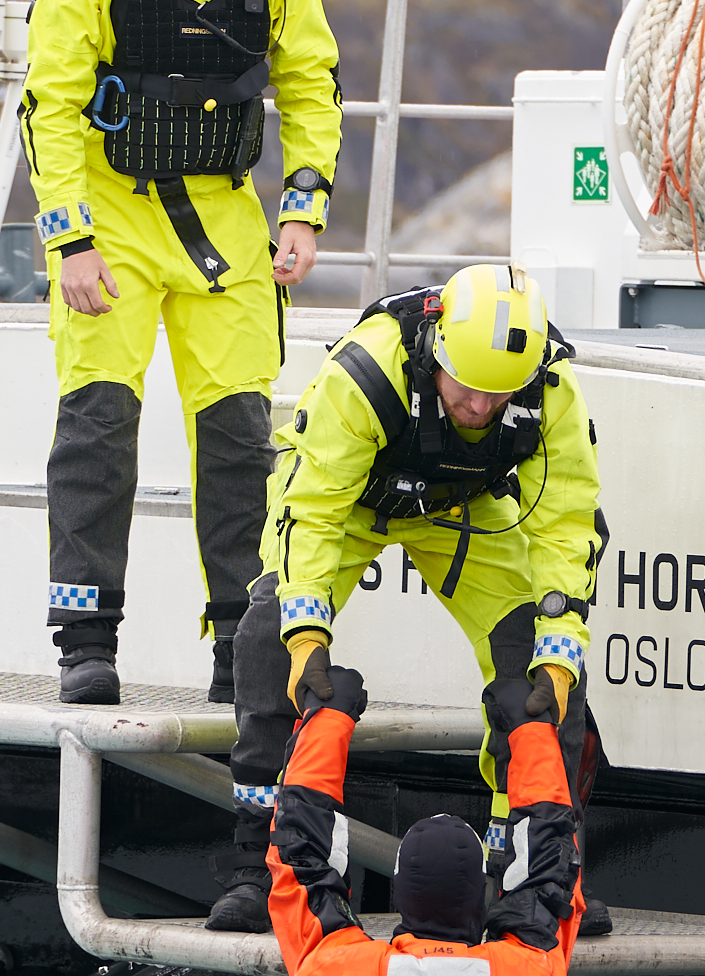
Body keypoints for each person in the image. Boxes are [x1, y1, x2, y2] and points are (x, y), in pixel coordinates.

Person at [22, 0, 341, 706]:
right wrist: (68, 240)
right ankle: (86, 641)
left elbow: (311, 83)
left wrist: (304, 208)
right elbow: (51, 105)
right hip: (112, 223)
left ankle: (238, 646)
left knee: (241, 436)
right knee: (99, 426)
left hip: (224, 222)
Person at [204, 258, 602, 932]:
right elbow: (313, 509)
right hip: (350, 502)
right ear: (437, 348)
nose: (479, 408)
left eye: (497, 395)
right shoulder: (367, 371)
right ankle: (256, 865)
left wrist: (560, 656)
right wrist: (307, 638)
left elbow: (567, 522)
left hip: (460, 509)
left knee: (541, 662)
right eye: (468, 388)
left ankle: (534, 872)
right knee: (269, 634)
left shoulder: (550, 388)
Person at [266, 659, 578, 976]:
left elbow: (298, 852)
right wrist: (531, 730)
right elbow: (551, 868)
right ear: (484, 896)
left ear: (396, 897)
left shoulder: (332, 970)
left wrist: (327, 720)